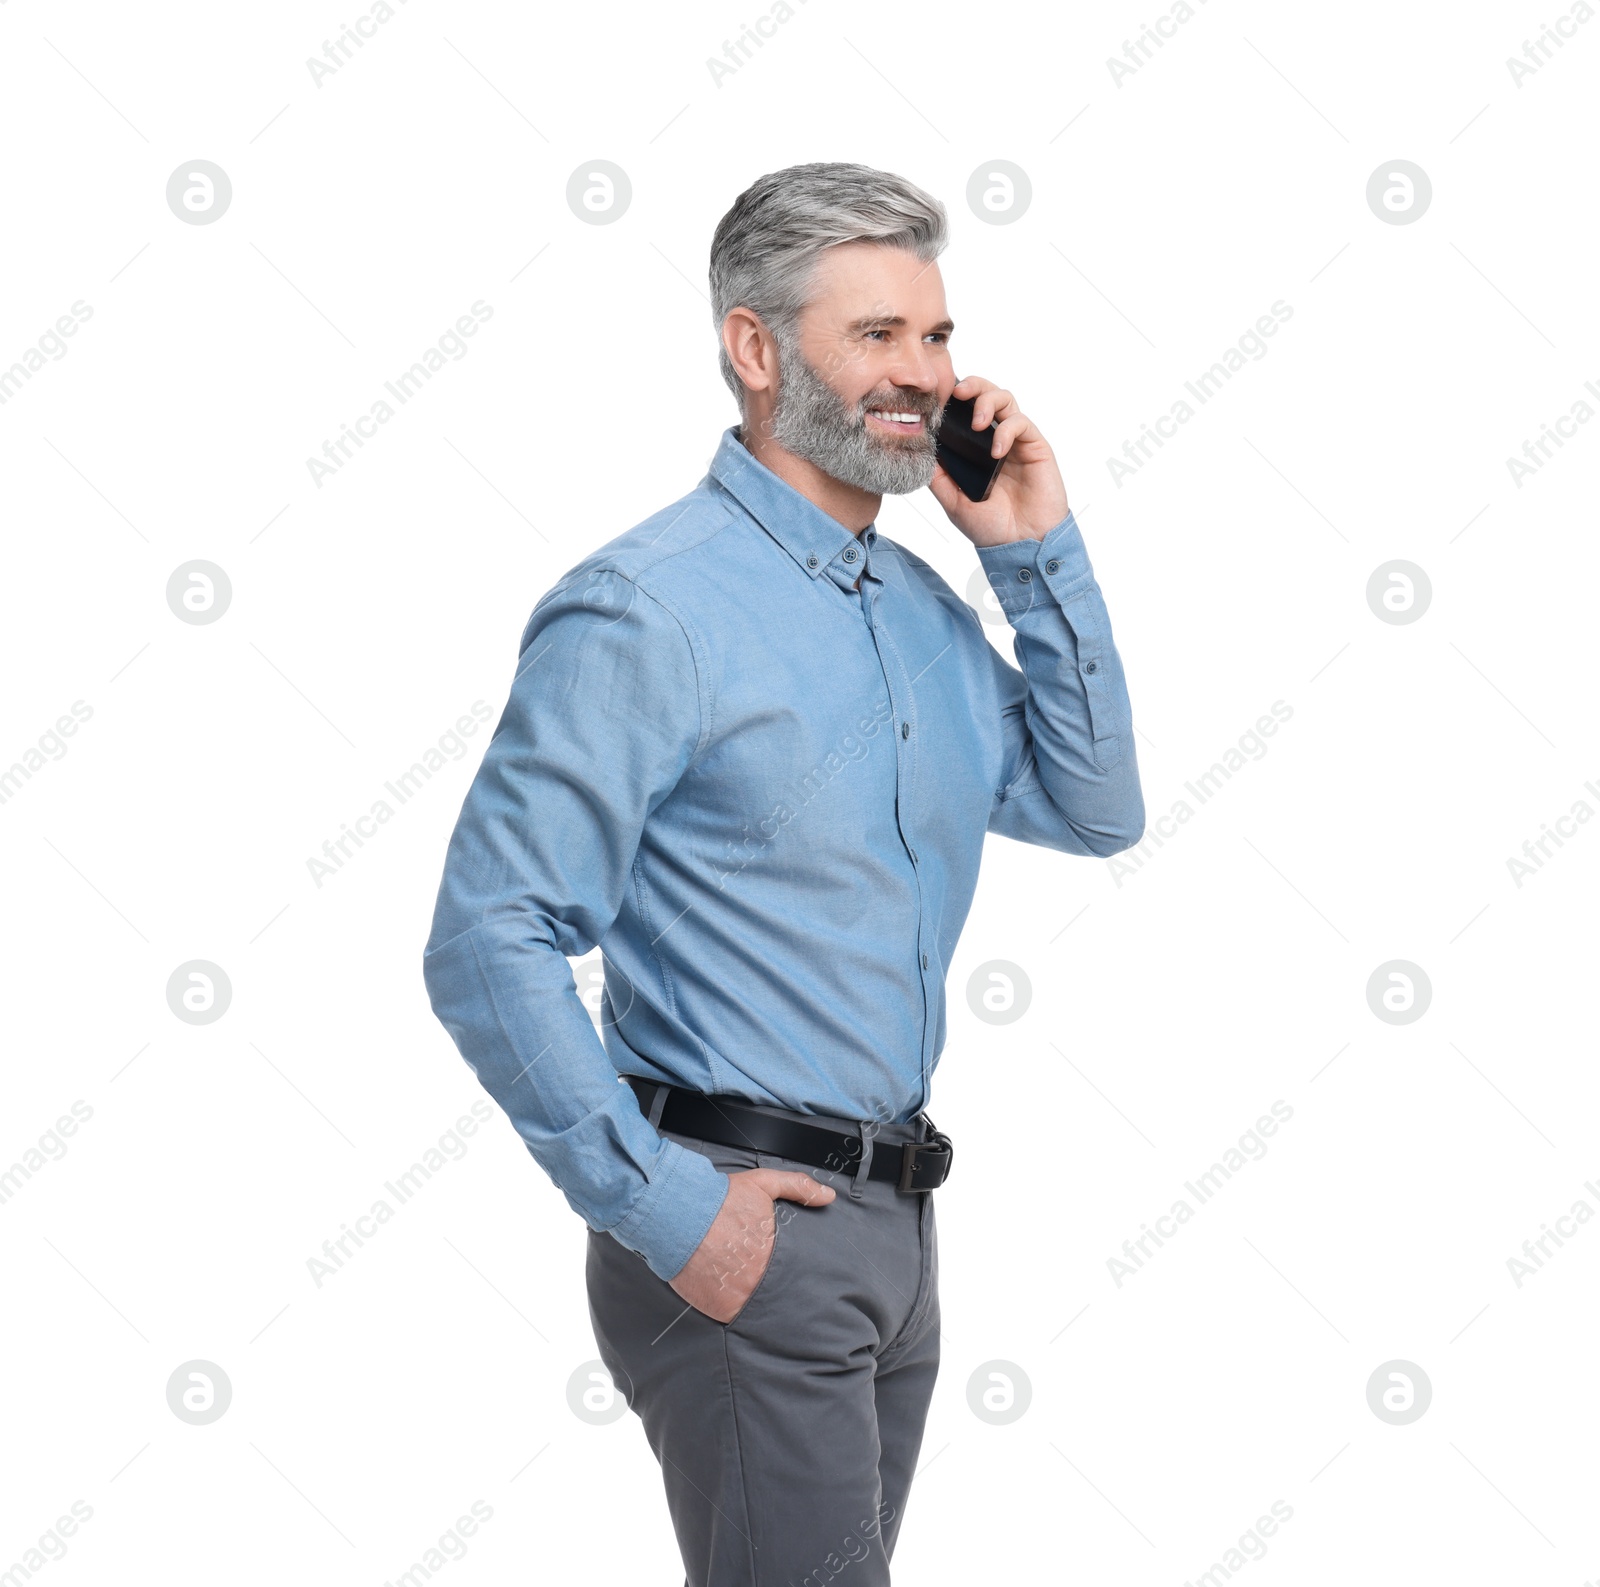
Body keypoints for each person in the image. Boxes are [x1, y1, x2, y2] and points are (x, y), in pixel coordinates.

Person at [422, 161, 1145, 1586]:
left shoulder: (921, 615)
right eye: (876, 335)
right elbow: (489, 937)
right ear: (757, 350)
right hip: (740, 1221)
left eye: (935, 338)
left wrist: (1032, 550)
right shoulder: (647, 610)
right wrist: (671, 1216)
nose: (923, 375)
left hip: (898, 1232)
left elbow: (1095, 803)